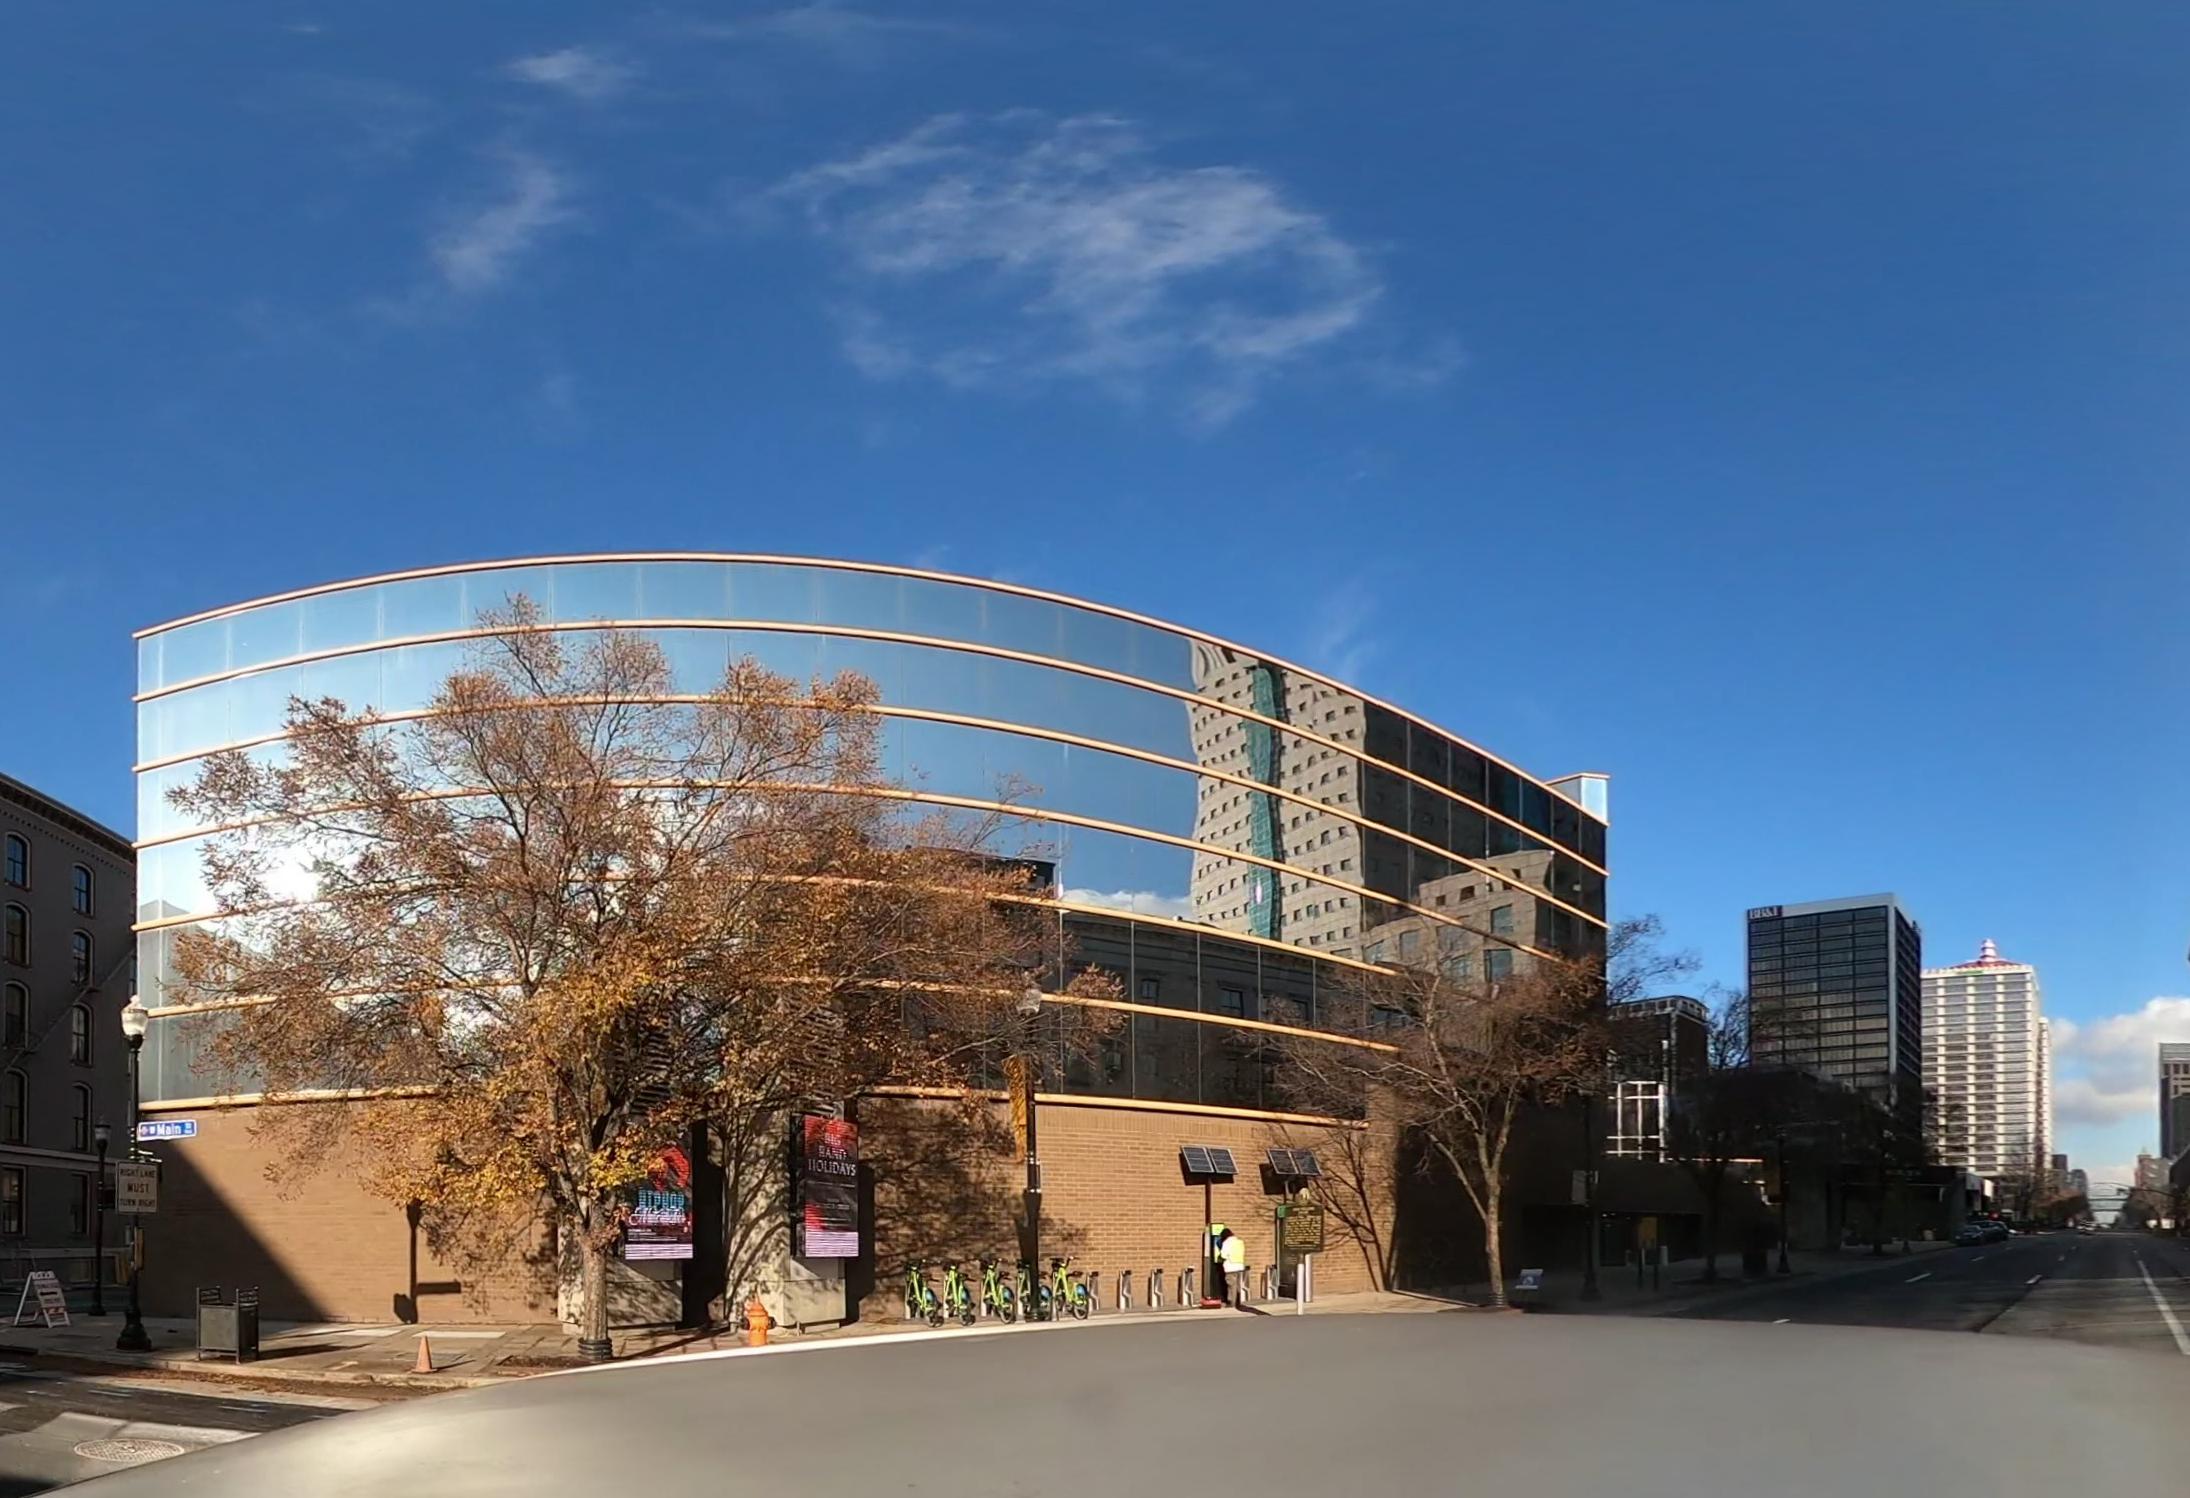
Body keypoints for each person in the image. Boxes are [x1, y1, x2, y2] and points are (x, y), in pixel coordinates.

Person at [1219, 1226, 1249, 1307]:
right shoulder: (1240, 1242)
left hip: (1230, 1267)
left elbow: (1223, 1255)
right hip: (1239, 1266)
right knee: (1238, 1285)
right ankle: (1238, 1302)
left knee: (1231, 1286)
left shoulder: (1226, 1243)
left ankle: (1232, 1303)